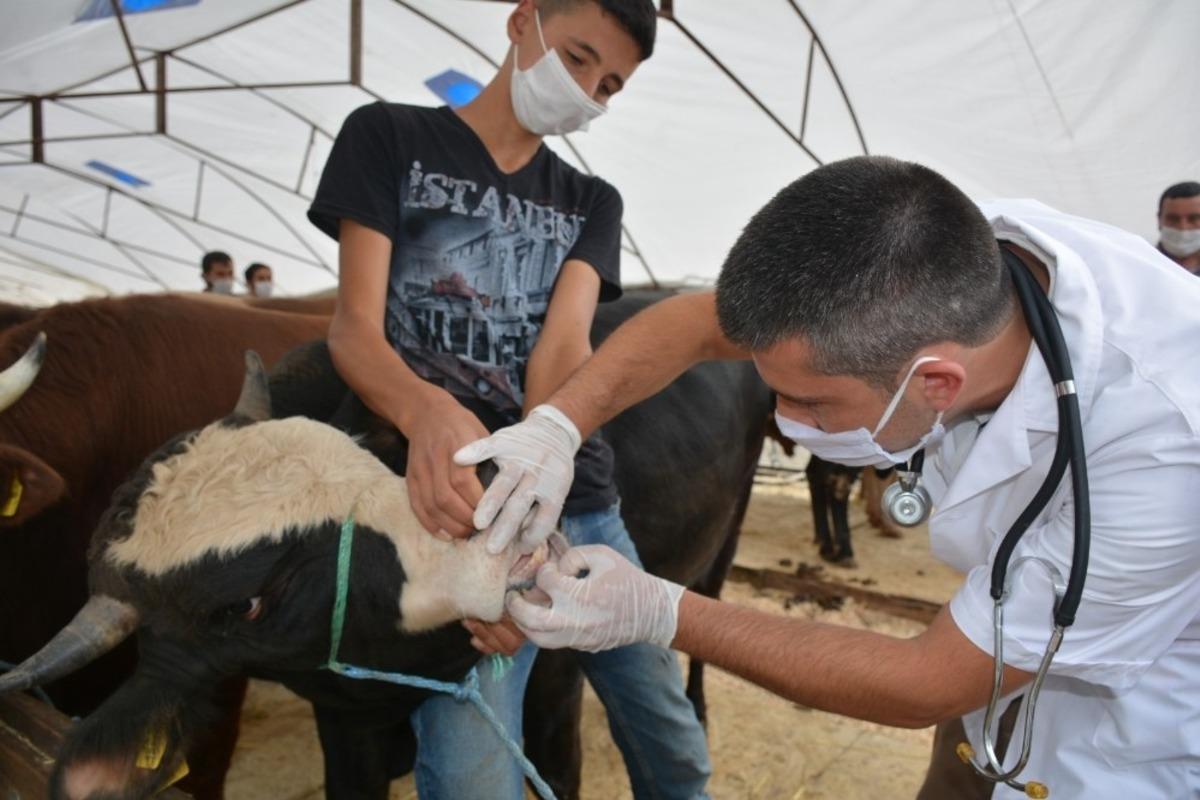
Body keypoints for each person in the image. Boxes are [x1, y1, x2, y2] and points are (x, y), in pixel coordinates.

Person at [461, 156, 1200, 798]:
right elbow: (690, 323)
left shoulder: (1164, 449)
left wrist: (659, 610)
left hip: (1134, 748)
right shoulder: (916, 261)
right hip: (997, 697)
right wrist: (558, 428)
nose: (783, 422)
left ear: (935, 383)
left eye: (810, 402)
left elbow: (928, 681)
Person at [305, 1, 711, 798]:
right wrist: (425, 412)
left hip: (574, 501)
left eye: (611, 84)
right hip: (451, 508)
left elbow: (563, 353)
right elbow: (354, 333)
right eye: (579, 57)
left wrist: (539, 487)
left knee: (668, 734)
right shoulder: (387, 138)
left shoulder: (590, 201)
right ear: (522, 20)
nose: (589, 90)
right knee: (471, 771)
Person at [1157, 181, 1200, 273]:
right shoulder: (1138, 265)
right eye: (1173, 219)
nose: (1183, 228)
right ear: (1159, 220)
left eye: (1194, 218)